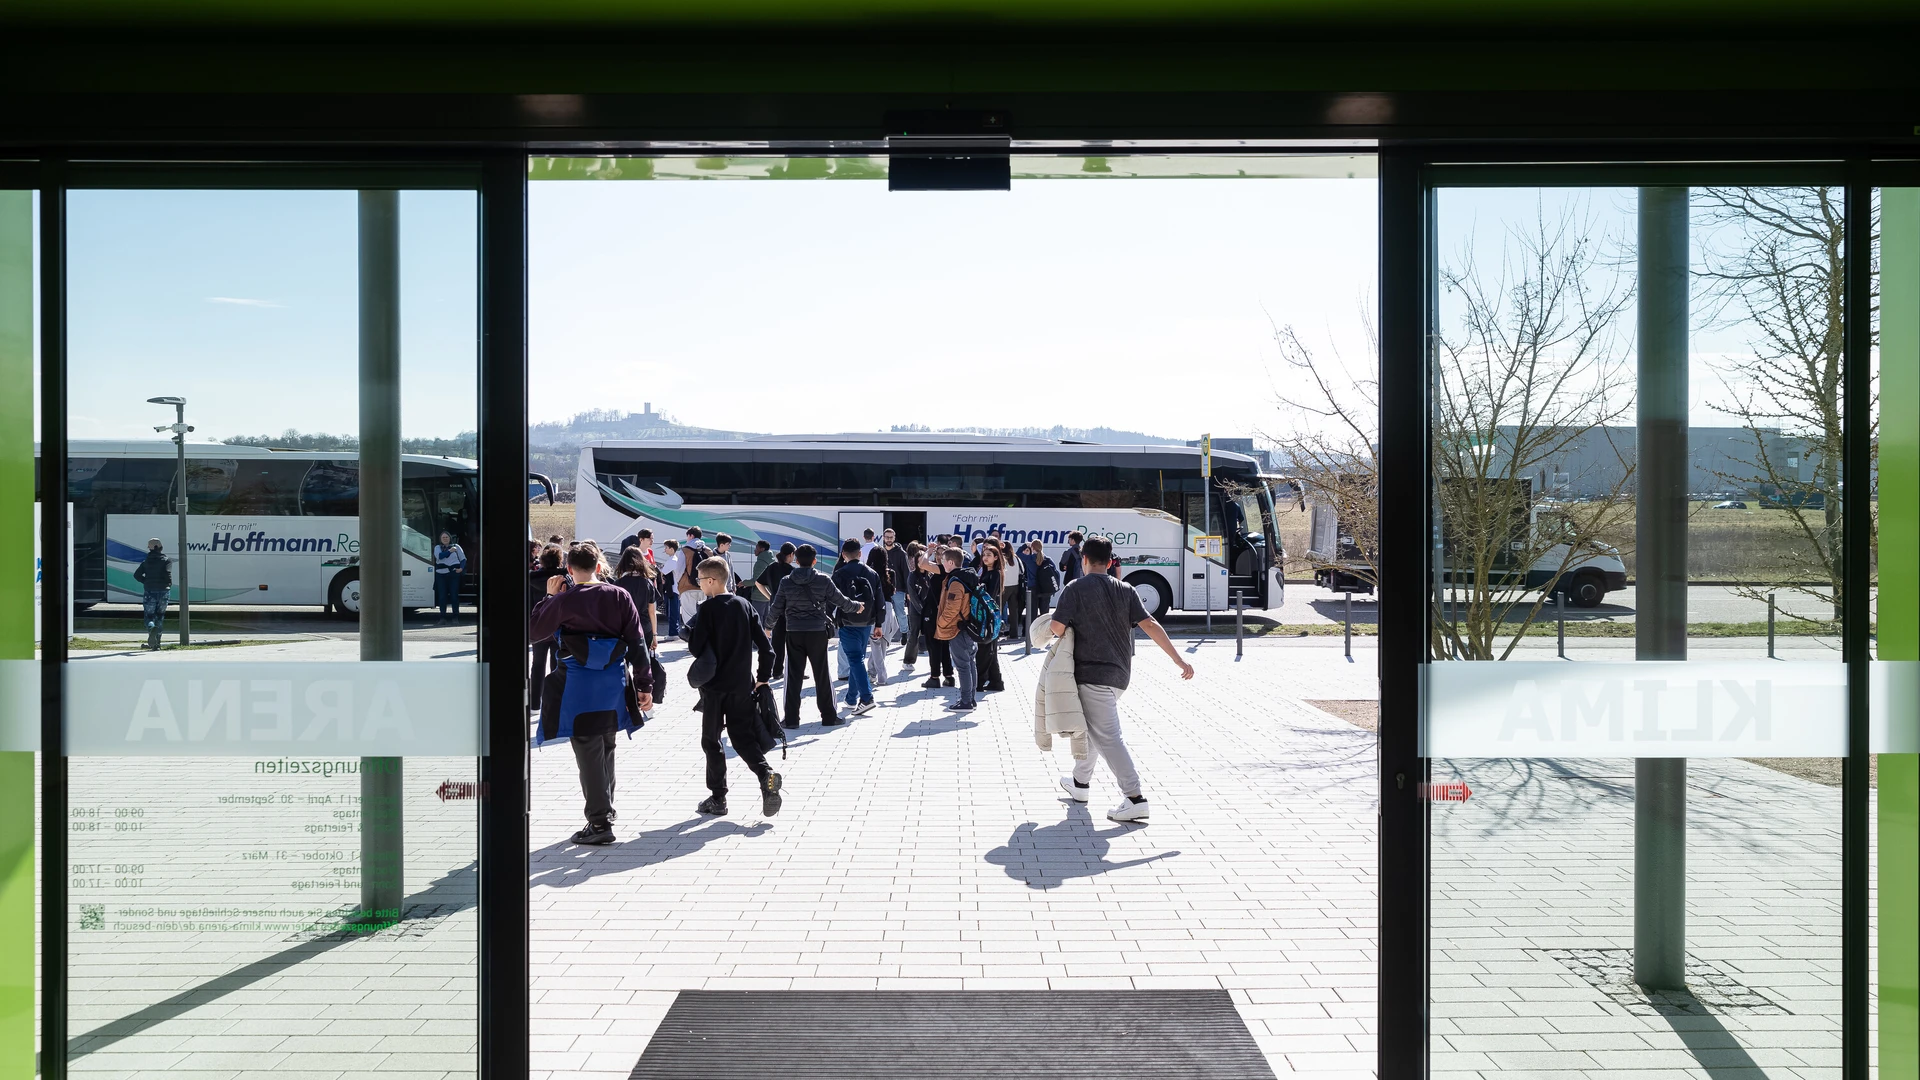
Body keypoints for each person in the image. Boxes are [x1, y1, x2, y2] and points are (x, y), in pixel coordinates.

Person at [1047, 535, 1193, 823]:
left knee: (1108, 737)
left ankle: (1135, 798)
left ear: (1084, 559)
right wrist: (1178, 660)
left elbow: (1056, 628)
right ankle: (1079, 783)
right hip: (1119, 675)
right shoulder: (1126, 589)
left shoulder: (1075, 587)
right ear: (1110, 560)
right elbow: (1150, 623)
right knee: (1094, 730)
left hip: (1091, 674)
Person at [530, 545, 655, 845]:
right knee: (606, 744)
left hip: (578, 686)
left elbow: (534, 631)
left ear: (569, 570)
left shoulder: (565, 600)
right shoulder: (620, 595)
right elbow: (637, 642)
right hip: (613, 684)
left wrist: (549, 597)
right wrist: (645, 686)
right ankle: (606, 810)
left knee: (587, 749)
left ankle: (599, 822)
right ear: (599, 567)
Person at [685, 556, 783, 817]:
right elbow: (767, 649)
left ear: (711, 581)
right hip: (742, 686)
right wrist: (762, 678)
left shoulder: (707, 609)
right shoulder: (745, 605)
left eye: (700, 580)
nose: (699, 585)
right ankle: (766, 775)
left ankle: (718, 798)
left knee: (711, 740)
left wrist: (692, 632)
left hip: (714, 688)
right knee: (742, 738)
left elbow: (696, 648)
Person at [767, 543, 864, 727]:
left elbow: (776, 607)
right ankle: (829, 716)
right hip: (817, 632)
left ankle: (791, 719)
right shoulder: (823, 580)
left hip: (794, 632)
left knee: (793, 676)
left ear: (796, 561)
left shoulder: (786, 581)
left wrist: (768, 626)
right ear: (814, 561)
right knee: (822, 674)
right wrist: (857, 606)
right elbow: (841, 601)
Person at [831, 538, 886, 715]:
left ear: (843, 555)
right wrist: (879, 624)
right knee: (858, 659)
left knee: (854, 659)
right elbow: (880, 600)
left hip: (847, 622)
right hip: (867, 622)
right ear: (860, 553)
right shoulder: (872, 573)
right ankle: (851, 698)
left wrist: (828, 619)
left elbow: (830, 599)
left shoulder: (839, 574)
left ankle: (866, 698)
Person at [933, 547, 984, 710]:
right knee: (970, 663)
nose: (941, 563)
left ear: (950, 562)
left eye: (942, 560)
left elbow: (952, 608)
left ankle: (966, 701)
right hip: (968, 626)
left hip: (958, 628)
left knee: (963, 666)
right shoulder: (967, 577)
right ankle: (971, 699)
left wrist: (941, 623)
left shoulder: (956, 582)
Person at [528, 545, 566, 710]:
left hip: (538, 626)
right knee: (556, 665)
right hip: (558, 627)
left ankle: (535, 702)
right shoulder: (563, 578)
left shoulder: (532, 578)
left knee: (537, 665)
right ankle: (554, 702)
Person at [756, 542, 796, 679]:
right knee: (793, 642)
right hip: (791, 609)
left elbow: (758, 583)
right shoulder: (792, 571)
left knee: (777, 641)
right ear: (791, 554)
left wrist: (770, 596)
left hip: (775, 608)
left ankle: (777, 671)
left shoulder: (772, 567)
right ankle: (794, 671)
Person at [917, 545, 954, 688]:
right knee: (943, 645)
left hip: (934, 613)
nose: (939, 557)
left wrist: (929, 551)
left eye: (942, 554)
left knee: (934, 646)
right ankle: (948, 676)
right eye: (937, 554)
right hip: (941, 612)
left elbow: (922, 563)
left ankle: (934, 676)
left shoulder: (942, 569)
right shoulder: (947, 570)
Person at [974, 542, 1006, 693]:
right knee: (990, 649)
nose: (985, 557)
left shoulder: (995, 574)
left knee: (985, 650)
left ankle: (979, 682)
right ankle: (996, 681)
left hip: (989, 616)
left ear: (996, 557)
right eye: (984, 555)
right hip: (985, 615)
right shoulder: (985, 572)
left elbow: (990, 596)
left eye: (989, 555)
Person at [863, 543, 897, 687]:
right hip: (887, 608)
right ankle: (874, 674)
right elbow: (893, 592)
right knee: (881, 642)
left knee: (876, 642)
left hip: (871, 608)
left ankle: (877, 674)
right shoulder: (891, 573)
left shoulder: (866, 574)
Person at [132, 538, 172, 650]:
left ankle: (151, 628)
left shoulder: (146, 562)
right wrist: (168, 584)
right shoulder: (167, 560)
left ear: (149, 549)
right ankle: (157, 644)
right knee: (160, 616)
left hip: (150, 591)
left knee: (149, 617)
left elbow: (136, 575)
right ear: (161, 548)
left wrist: (146, 581)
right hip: (164, 591)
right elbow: (168, 574)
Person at [676, 526, 713, 635]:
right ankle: (701, 638)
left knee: (689, 617)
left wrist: (679, 583)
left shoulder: (685, 550)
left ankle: (692, 639)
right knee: (701, 615)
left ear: (691, 535)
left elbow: (679, 570)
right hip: (704, 588)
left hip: (687, 588)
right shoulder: (708, 551)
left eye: (687, 536)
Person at [882, 528, 911, 644]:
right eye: (887, 537)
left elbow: (906, 572)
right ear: (883, 538)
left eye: (891, 537)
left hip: (898, 588)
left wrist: (908, 591)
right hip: (884, 589)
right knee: (884, 613)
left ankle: (904, 633)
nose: (889, 539)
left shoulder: (901, 553)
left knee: (900, 613)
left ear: (894, 538)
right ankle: (884, 635)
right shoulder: (880, 551)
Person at [900, 540, 925, 672]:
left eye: (924, 560)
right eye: (920, 560)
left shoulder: (930, 575)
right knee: (914, 633)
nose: (923, 563)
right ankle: (908, 661)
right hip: (916, 610)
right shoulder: (912, 576)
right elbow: (913, 597)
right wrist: (922, 610)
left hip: (928, 610)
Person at [433, 531, 467, 623]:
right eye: (443, 537)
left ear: (450, 538)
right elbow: (440, 556)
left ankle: (455, 617)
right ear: (440, 539)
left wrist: (461, 568)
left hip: (453, 574)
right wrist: (449, 551)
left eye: (446, 537)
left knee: (454, 596)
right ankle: (442, 617)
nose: (445, 539)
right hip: (441, 574)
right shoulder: (437, 548)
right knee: (442, 596)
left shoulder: (456, 547)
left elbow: (463, 559)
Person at [1025, 539, 1059, 621]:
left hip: (1033, 587)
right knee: (1044, 613)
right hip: (1046, 588)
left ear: (1032, 548)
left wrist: (1026, 545)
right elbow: (1055, 573)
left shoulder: (1029, 559)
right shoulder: (1048, 559)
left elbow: (1018, 553)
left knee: (1032, 612)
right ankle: (1044, 628)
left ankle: (1032, 628)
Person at [998, 539, 1023, 640]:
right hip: (1015, 586)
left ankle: (997, 632)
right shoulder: (1016, 558)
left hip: (1004, 586)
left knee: (998, 610)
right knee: (1013, 611)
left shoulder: (1001, 558)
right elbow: (1022, 571)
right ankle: (1014, 634)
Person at [660, 539, 683, 638]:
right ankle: (675, 632)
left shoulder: (672, 560)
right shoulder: (675, 560)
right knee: (674, 612)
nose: (664, 550)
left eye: (666, 548)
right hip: (676, 589)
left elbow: (662, 573)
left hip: (672, 590)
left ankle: (673, 633)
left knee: (672, 612)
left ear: (672, 549)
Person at [747, 539, 775, 614]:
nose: (755, 550)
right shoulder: (772, 561)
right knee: (766, 618)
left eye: (757, 548)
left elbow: (756, 581)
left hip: (759, 596)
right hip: (768, 595)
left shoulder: (760, 563)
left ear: (762, 549)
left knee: (758, 618)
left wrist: (744, 583)